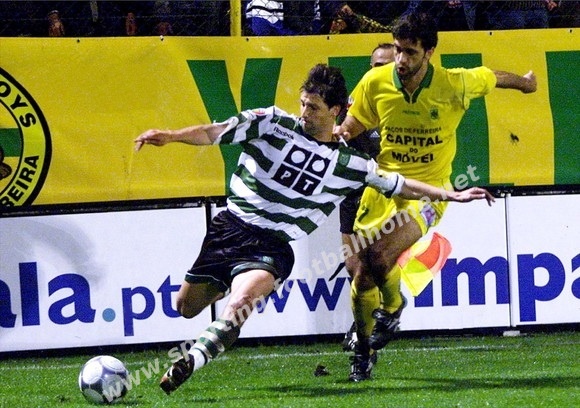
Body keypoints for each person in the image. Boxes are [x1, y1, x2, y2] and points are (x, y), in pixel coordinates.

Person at [134, 63, 495, 395]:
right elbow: (216, 131)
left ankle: (192, 361)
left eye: (314, 108)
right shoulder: (271, 123)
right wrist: (171, 136)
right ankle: (229, 283)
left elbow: (401, 185)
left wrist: (451, 194)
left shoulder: (350, 163)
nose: (304, 113)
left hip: (272, 247)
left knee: (240, 305)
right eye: (303, 104)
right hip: (229, 229)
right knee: (185, 307)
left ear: (336, 111)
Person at [333, 11, 537, 382]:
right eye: (398, 50)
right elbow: (353, 123)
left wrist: (525, 83)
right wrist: (340, 133)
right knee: (362, 277)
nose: (401, 59)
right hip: (382, 188)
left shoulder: (454, 84)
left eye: (410, 52)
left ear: (429, 52)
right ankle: (363, 352)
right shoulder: (375, 81)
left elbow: (493, 76)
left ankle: (393, 308)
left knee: (379, 255)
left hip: (429, 195)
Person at [337, 43, 395, 355]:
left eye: (386, 64)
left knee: (375, 263)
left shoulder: (404, 102)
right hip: (354, 191)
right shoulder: (355, 102)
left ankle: (374, 327)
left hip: (390, 192)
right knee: (352, 266)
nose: (379, 70)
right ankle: (368, 321)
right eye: (375, 65)